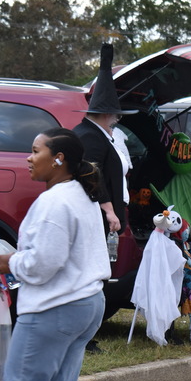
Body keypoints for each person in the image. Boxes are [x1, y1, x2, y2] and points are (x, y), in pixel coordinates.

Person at [0, 128, 110, 381]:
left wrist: (11, 262)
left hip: (54, 307)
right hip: (88, 303)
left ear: (58, 159)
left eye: (34, 151)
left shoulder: (54, 201)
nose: (28, 158)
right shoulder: (81, 196)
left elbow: (45, 263)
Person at [73, 43, 137, 353]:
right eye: (115, 114)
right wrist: (109, 210)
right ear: (107, 113)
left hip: (99, 216)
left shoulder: (97, 134)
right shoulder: (89, 137)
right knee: (89, 275)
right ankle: (82, 335)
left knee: (94, 274)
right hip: (93, 216)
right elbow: (91, 174)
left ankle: (84, 332)